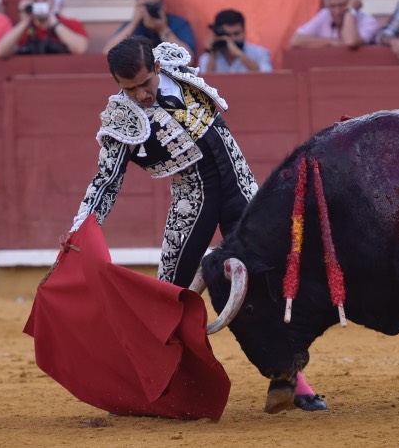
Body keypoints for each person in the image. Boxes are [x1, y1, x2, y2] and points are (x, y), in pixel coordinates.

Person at [70, 35, 327, 411]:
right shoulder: (121, 119)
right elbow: (106, 181)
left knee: (272, 279)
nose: (141, 94)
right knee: (168, 294)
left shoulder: (176, 69)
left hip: (240, 187)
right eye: (130, 89)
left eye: (145, 83)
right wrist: (81, 228)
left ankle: (288, 380)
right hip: (194, 201)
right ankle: (153, 385)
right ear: (117, 85)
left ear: (156, 68)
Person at [0, 0, 90, 57]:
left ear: (52, 1)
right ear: (29, 3)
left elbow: (81, 49)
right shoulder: (24, 29)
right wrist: (25, 21)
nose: (40, 4)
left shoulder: (70, 23)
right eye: (36, 0)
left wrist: (54, 22)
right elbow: (0, 52)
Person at [102, 0, 196, 56]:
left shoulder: (178, 23)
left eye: (153, 4)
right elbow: (108, 52)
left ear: (162, 4)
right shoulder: (135, 24)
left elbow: (188, 58)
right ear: (137, 4)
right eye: (144, 5)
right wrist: (133, 24)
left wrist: (163, 29)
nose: (148, 9)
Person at [290, 0, 379, 47]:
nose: (337, 11)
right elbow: (296, 41)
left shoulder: (368, 21)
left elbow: (351, 42)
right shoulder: (325, 14)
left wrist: (350, 11)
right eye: (332, 6)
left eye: (342, 5)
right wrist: (331, 42)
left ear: (353, 2)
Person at [199, 8, 273, 72]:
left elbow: (266, 78)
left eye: (236, 34)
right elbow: (203, 84)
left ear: (244, 32)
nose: (232, 39)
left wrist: (239, 54)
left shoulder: (260, 53)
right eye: (227, 35)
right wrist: (212, 56)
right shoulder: (207, 57)